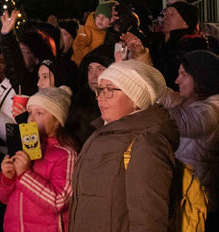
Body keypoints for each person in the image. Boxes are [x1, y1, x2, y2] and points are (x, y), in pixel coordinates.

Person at [68, 60, 177, 232]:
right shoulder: (101, 133)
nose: (100, 96)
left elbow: (149, 222)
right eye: (100, 89)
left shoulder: (146, 145)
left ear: (135, 100)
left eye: (110, 89)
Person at [158, 51, 219, 214]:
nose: (176, 80)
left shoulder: (208, 114)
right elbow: (163, 95)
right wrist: (138, 59)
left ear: (201, 79)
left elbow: (173, 118)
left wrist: (137, 93)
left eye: (183, 75)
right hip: (187, 200)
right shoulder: (192, 104)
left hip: (198, 208)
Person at [0, 86, 77, 232]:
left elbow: (59, 201)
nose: (31, 118)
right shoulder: (21, 147)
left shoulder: (65, 154)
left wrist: (25, 174)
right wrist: (7, 178)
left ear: (57, 120)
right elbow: (0, 196)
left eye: (39, 113)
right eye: (30, 112)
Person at [150, 1, 215, 89]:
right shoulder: (160, 41)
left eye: (172, 14)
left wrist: (144, 56)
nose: (165, 18)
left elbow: (168, 75)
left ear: (186, 23)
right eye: (166, 14)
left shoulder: (192, 46)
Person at [71, 1, 116, 65]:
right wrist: (97, 55)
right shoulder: (87, 29)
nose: (101, 19)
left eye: (105, 17)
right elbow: (78, 47)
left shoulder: (111, 34)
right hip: (81, 65)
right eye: (98, 16)